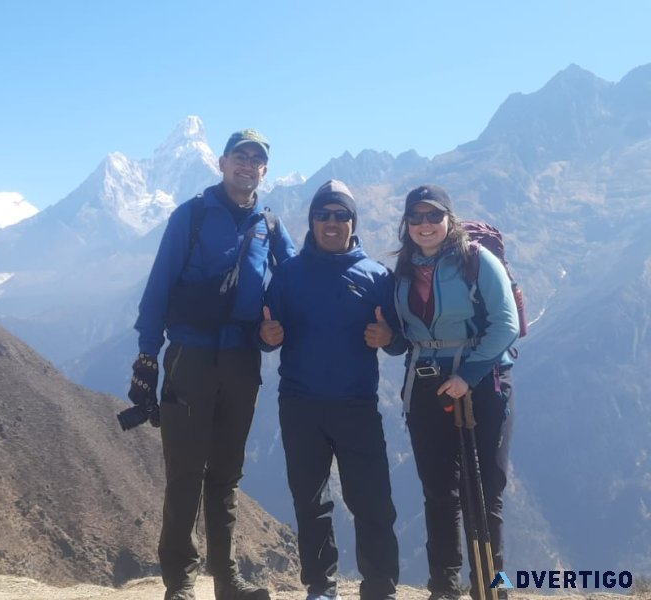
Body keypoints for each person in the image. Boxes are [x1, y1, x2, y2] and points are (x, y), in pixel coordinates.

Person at [130, 129, 296, 600]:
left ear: (265, 170)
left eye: (256, 159)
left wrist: (277, 328)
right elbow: (159, 284)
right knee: (184, 470)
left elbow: (291, 285)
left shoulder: (270, 225)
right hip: (190, 356)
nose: (247, 165)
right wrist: (148, 353)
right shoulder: (193, 216)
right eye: (239, 157)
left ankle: (226, 582)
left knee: (225, 474)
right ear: (221, 163)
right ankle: (180, 582)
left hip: (242, 360)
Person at [259, 180, 403, 600]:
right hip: (301, 404)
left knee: (372, 502)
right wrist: (268, 335)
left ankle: (380, 588)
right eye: (323, 215)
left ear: (353, 222)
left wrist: (387, 336)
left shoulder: (376, 277)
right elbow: (266, 332)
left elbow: (399, 341)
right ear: (312, 221)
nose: (332, 222)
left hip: (356, 404)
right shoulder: (288, 275)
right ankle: (321, 587)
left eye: (341, 215)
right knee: (310, 502)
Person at [391, 184, 519, 600]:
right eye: (417, 217)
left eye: (433, 216)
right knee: (438, 491)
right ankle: (443, 588)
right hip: (427, 387)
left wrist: (470, 374)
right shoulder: (404, 270)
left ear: (450, 219)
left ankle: (492, 588)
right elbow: (404, 335)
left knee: (484, 490)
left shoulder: (476, 261)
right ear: (407, 224)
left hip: (483, 386)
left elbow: (506, 323)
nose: (425, 225)